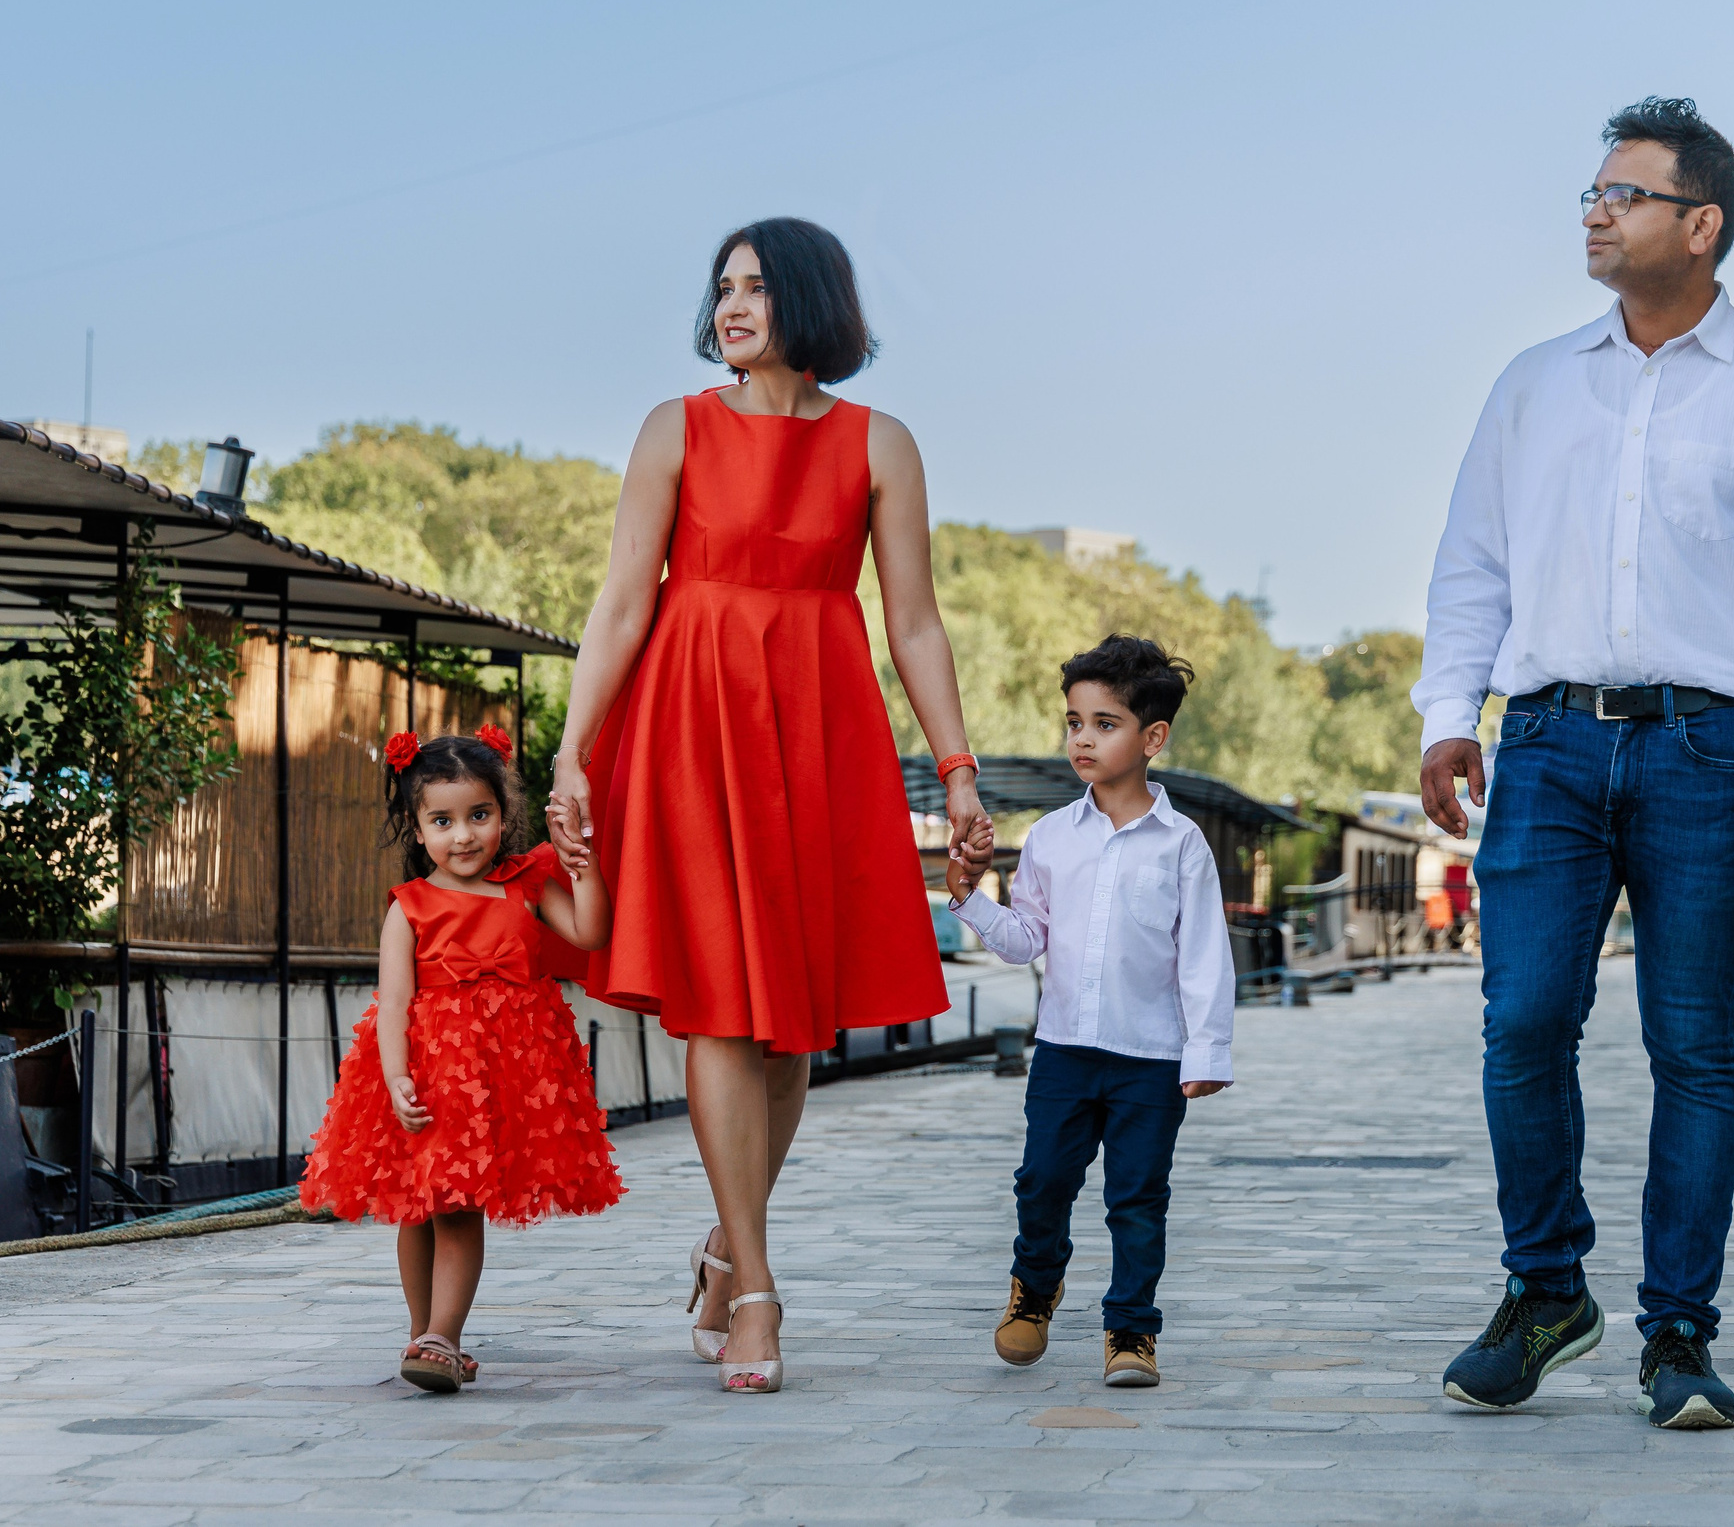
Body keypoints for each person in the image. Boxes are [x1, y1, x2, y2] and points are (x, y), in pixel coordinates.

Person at [1411, 98, 1734, 1431]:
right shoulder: (1532, 383)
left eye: (1624, 193)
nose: (1595, 212)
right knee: (1522, 1021)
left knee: (1693, 1042)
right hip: (1546, 740)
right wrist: (1449, 711)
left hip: (1708, 746)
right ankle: (1544, 1288)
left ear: (1702, 223)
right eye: (1592, 193)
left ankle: (1678, 1331)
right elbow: (1472, 564)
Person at [546, 218, 985, 1395]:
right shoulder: (674, 428)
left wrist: (956, 769)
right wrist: (573, 753)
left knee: (793, 1024)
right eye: (722, 287)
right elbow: (622, 602)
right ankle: (756, 1290)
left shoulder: (880, 443)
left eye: (756, 286)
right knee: (721, 1011)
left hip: (820, 730)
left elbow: (913, 622)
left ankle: (722, 1245)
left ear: (810, 300)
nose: (731, 305)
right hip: (692, 727)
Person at [946, 636, 1234, 1390]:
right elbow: (1024, 940)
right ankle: (1034, 1289)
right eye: (1074, 721)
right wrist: (970, 894)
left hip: (1152, 1060)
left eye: (1105, 724)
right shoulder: (1048, 838)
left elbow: (1204, 956)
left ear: (1153, 737)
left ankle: (1131, 1329)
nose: (1082, 738)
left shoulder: (1183, 845)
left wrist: (1206, 1051)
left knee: (1137, 1199)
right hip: (1065, 1053)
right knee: (1042, 1180)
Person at [300, 727, 622, 1394]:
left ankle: (441, 1336)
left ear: (504, 814)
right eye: (442, 821)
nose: (465, 835)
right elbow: (393, 1002)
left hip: (494, 1080)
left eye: (480, 814)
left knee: (456, 1204)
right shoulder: (409, 908)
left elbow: (591, 933)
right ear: (417, 830)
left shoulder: (527, 885)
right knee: (418, 1207)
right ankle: (427, 1334)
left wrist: (581, 864)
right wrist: (396, 1077)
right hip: (427, 1076)